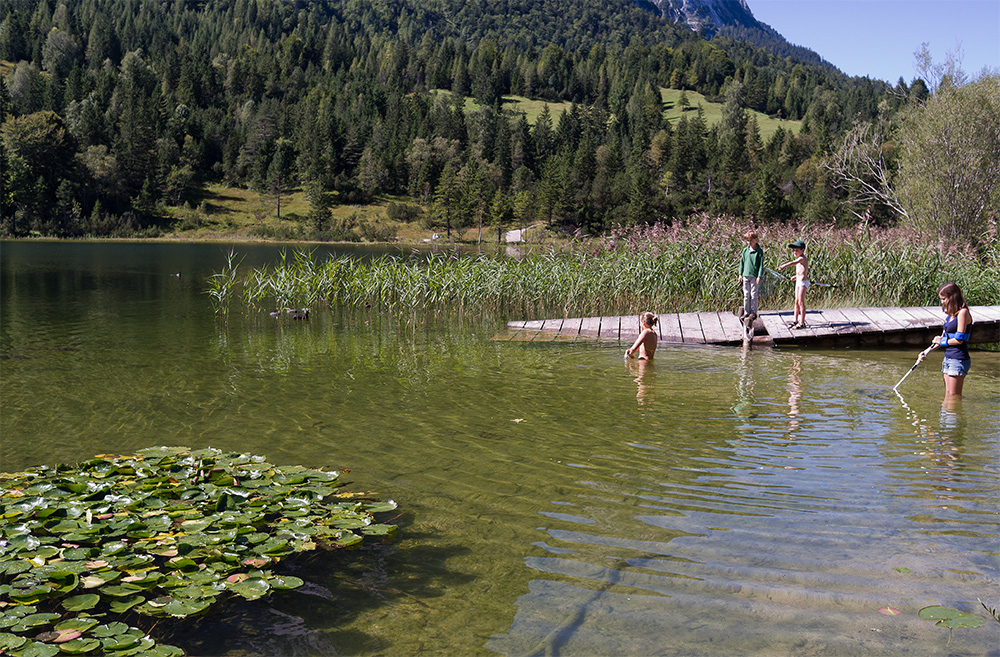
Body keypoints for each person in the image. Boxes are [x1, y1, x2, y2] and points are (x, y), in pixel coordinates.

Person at [917, 281, 973, 396]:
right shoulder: (949, 316)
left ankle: (955, 414)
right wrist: (926, 352)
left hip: (958, 359)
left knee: (954, 397)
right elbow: (943, 339)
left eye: (943, 299)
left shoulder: (963, 313)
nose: (942, 302)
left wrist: (941, 341)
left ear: (952, 297)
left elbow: (959, 339)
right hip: (948, 359)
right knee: (948, 396)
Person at [778, 240, 809, 329]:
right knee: (796, 302)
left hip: (803, 283)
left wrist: (784, 266)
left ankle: (802, 323)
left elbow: (793, 263)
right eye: (794, 250)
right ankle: (795, 321)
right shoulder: (799, 259)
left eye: (797, 250)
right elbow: (801, 271)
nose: (795, 252)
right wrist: (795, 276)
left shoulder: (802, 258)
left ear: (802, 250)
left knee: (801, 302)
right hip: (798, 282)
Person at [737, 230, 764, 320]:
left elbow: (760, 265)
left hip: (754, 276)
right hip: (745, 275)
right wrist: (740, 274)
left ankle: (753, 312)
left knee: (753, 294)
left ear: (756, 240)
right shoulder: (745, 250)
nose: (749, 242)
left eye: (751, 240)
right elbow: (742, 263)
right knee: (746, 294)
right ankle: (746, 312)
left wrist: (759, 276)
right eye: (747, 241)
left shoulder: (759, 251)